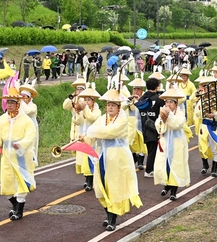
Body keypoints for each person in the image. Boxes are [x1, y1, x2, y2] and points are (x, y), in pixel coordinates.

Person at [82, 88, 142, 231]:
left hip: (118, 157)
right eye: (108, 105)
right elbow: (93, 131)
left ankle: (112, 219)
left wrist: (91, 132)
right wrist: (85, 137)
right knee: (102, 186)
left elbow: (110, 132)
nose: (109, 107)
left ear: (119, 107)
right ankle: (108, 213)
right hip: (103, 156)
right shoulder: (102, 118)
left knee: (114, 186)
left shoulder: (122, 119)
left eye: (113, 105)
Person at [0, 86, 37, 221]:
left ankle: (19, 211)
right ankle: (15, 205)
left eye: (12, 103)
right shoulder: (1, 120)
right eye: (8, 103)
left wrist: (20, 145)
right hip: (7, 155)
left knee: (21, 181)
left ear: (18, 104)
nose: (9, 105)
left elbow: (31, 136)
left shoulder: (26, 120)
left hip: (21, 155)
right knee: (7, 183)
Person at [154, 83, 189, 200]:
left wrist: (168, 116)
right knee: (164, 165)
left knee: (176, 166)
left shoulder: (180, 114)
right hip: (165, 142)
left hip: (177, 143)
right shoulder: (163, 113)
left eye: (171, 102)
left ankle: (173, 191)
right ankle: (166, 186)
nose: (168, 104)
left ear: (176, 104)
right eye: (166, 102)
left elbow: (176, 125)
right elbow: (158, 128)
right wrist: (162, 120)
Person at [71, 83, 101, 191]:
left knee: (91, 160)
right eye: (85, 99)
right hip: (82, 138)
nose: (86, 102)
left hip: (92, 139)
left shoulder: (97, 111)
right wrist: (77, 112)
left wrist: (84, 109)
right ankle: (87, 179)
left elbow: (92, 118)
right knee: (83, 161)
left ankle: (90, 181)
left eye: (89, 100)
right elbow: (77, 122)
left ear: (93, 101)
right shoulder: (84, 110)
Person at [138, 77, 165, 178]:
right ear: (157, 87)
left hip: (144, 126)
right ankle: (149, 170)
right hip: (155, 126)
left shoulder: (142, 98)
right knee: (154, 149)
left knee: (150, 149)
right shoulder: (158, 99)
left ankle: (151, 168)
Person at [19, 80, 39, 166]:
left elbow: (27, 111)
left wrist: (20, 101)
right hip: (22, 130)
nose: (23, 99)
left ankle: (31, 165)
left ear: (30, 98)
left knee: (31, 148)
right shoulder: (20, 106)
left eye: (25, 97)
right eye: (21, 96)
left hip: (32, 130)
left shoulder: (33, 106)